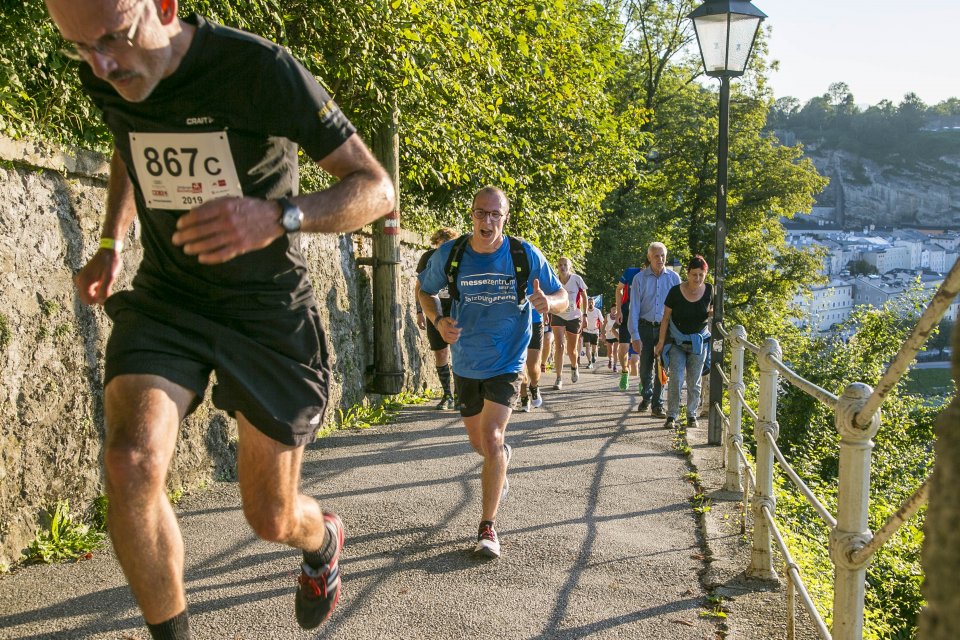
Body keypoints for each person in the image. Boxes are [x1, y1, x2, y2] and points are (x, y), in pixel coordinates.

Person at [43, 1, 396, 637]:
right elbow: (127, 139)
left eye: (115, 40)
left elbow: (374, 187)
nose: (100, 64)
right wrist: (110, 241)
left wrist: (278, 216)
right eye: (80, 49)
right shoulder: (105, 66)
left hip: (266, 313)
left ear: (165, 8)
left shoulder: (257, 69)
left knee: (270, 517)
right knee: (129, 462)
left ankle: (322, 539)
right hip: (169, 299)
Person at [417, 186, 567, 559]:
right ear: (471, 215)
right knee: (481, 445)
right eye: (481, 213)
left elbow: (563, 297)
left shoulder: (523, 254)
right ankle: (499, 460)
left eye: (495, 214)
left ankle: (488, 526)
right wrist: (437, 320)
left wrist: (549, 302)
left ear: (505, 218)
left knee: (493, 437)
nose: (488, 221)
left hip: (508, 359)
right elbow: (425, 290)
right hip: (467, 360)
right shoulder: (451, 254)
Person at [654, 256, 713, 429]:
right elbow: (665, 318)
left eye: (701, 275)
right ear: (687, 273)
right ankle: (672, 415)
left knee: (694, 381)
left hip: (698, 343)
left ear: (705, 274)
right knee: (677, 379)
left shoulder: (710, 290)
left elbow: (713, 311)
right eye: (694, 274)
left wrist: (712, 313)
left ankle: (691, 415)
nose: (698, 279)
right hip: (677, 342)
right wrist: (660, 343)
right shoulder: (675, 292)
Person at [629, 242, 681, 417]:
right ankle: (647, 396)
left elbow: (679, 307)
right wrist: (634, 335)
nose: (660, 259)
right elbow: (634, 308)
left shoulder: (674, 279)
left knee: (662, 366)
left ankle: (657, 404)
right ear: (649, 257)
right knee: (645, 367)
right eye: (656, 256)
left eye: (663, 256)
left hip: (665, 329)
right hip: (645, 327)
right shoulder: (639, 279)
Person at [415, 227, 460, 410]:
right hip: (435, 311)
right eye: (441, 245)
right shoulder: (428, 258)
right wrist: (420, 312)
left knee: (458, 353)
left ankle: (459, 394)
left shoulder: (459, 257)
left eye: (447, 246)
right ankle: (447, 394)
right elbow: (419, 287)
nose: (443, 250)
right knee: (440, 352)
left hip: (456, 310)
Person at [550, 257, 588, 389]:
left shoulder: (577, 279)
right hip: (558, 315)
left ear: (569, 266)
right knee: (559, 346)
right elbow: (549, 297)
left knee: (572, 351)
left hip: (574, 316)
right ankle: (558, 378)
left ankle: (574, 366)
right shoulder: (554, 280)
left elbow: (584, 296)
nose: (562, 267)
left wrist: (585, 315)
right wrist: (546, 313)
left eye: (565, 265)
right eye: (560, 265)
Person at [614, 265, 642, 391]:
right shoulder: (630, 272)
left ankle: (644, 379)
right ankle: (625, 372)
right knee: (623, 347)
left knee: (644, 350)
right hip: (627, 312)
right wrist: (619, 310)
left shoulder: (656, 277)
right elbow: (619, 289)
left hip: (643, 315)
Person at [519, 288, 546, 411]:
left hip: (535, 322)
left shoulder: (538, 269)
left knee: (533, 367)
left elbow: (557, 293)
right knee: (519, 364)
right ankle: (524, 397)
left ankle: (534, 386)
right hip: (515, 322)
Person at [581, 297, 603, 369]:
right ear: (587, 303)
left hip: (595, 331)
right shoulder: (584, 311)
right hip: (586, 331)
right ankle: (590, 362)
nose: (590, 304)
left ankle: (593, 354)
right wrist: (580, 331)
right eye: (589, 302)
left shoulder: (597, 311)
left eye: (592, 303)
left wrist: (602, 332)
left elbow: (601, 322)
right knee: (587, 346)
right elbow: (580, 321)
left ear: (594, 303)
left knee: (594, 348)